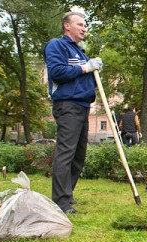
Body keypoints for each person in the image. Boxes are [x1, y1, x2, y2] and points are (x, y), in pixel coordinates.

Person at [44, 12, 103, 214]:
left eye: (85, 25)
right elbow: (57, 72)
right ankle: (60, 202)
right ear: (67, 26)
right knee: (66, 152)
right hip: (67, 105)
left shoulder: (80, 52)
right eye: (79, 24)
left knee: (79, 155)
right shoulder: (57, 46)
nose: (84, 28)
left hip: (83, 106)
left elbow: (82, 76)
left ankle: (67, 197)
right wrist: (86, 67)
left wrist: (92, 71)